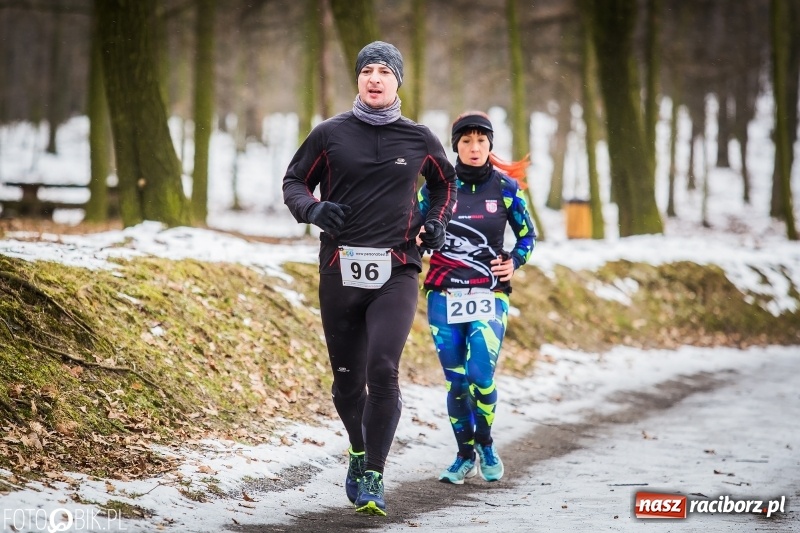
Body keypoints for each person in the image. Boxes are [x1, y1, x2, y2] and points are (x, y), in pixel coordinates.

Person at [282, 41, 457, 516]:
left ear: (398, 80)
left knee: (383, 369)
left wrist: (435, 222)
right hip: (340, 268)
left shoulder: (419, 138)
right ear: (357, 79)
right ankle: (358, 451)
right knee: (345, 382)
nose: (375, 78)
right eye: (367, 71)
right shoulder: (330, 134)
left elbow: (445, 183)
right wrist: (313, 209)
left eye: (384, 71)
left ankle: (375, 474)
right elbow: (293, 182)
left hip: (397, 268)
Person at [417, 111, 535, 484]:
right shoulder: (436, 189)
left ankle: (484, 442)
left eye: (481, 141)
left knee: (479, 375)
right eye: (466, 141)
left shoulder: (505, 189)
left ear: (490, 145)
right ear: (456, 146)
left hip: (489, 294)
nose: (474, 147)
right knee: (456, 382)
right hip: (443, 295)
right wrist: (420, 241)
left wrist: (514, 262)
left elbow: (528, 235)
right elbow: (413, 233)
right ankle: (464, 455)